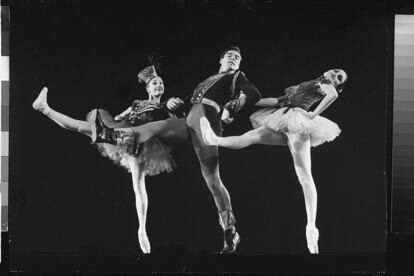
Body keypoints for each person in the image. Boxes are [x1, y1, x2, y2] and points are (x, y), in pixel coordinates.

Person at [91, 46, 262, 253]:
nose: (234, 59)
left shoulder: (236, 76)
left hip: (206, 121)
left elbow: (253, 93)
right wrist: (174, 102)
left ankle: (230, 231)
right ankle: (111, 135)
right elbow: (187, 101)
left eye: (237, 57)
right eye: (230, 56)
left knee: (213, 180)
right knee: (155, 128)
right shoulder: (208, 80)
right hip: (189, 120)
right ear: (221, 60)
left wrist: (231, 107)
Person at [32, 64, 184, 254]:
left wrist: (174, 107)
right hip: (123, 134)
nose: (159, 85)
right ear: (148, 88)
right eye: (155, 83)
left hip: (144, 142)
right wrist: (115, 121)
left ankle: (142, 229)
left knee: (138, 185)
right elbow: (121, 116)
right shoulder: (137, 103)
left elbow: (173, 121)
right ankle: (45, 109)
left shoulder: (164, 105)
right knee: (82, 127)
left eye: (161, 83)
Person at [199, 69, 348, 254]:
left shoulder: (323, 85)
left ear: (337, 84)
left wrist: (313, 114)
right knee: (253, 136)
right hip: (283, 118)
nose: (335, 74)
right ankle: (215, 140)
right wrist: (246, 100)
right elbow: (276, 101)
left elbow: (332, 94)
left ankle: (311, 227)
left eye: (339, 77)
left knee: (304, 175)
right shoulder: (307, 84)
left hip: (298, 122)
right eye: (335, 71)